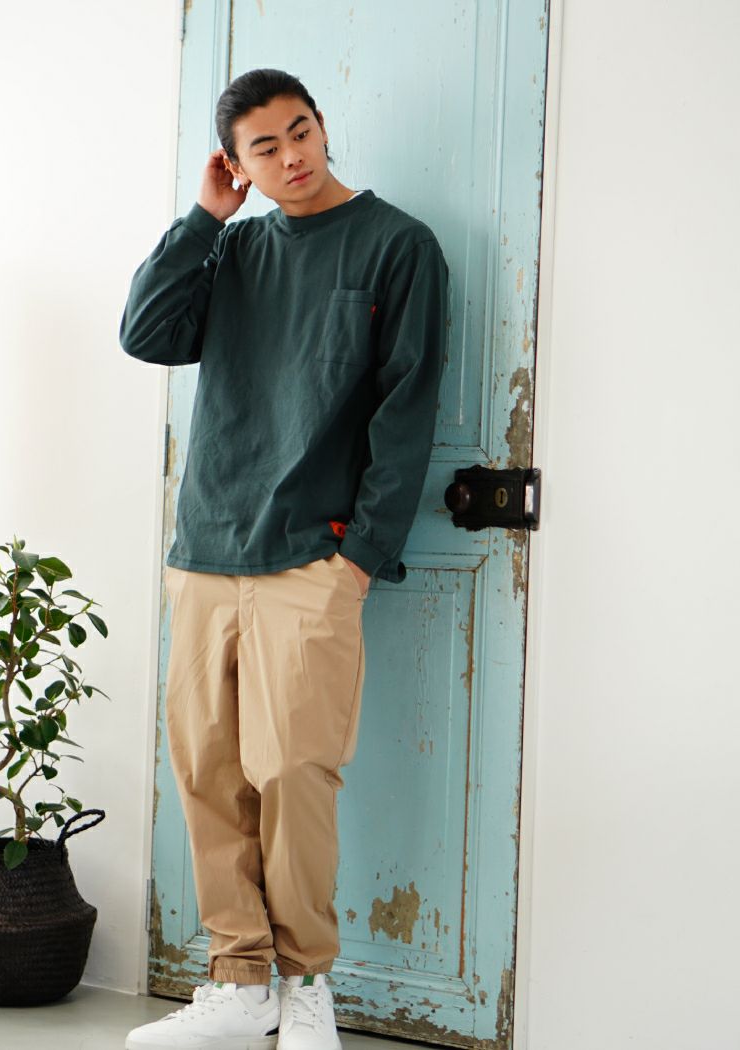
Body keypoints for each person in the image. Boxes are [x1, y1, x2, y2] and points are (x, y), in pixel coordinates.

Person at [120, 68, 449, 1050]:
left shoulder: (398, 245)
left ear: (321, 123)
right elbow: (145, 334)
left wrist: (362, 558)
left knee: (295, 771)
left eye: (300, 131)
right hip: (205, 550)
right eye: (264, 147)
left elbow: (406, 410)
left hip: (313, 558)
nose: (292, 156)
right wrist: (203, 219)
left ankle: (306, 982)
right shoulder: (234, 249)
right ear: (237, 163)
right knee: (206, 771)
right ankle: (239, 982)